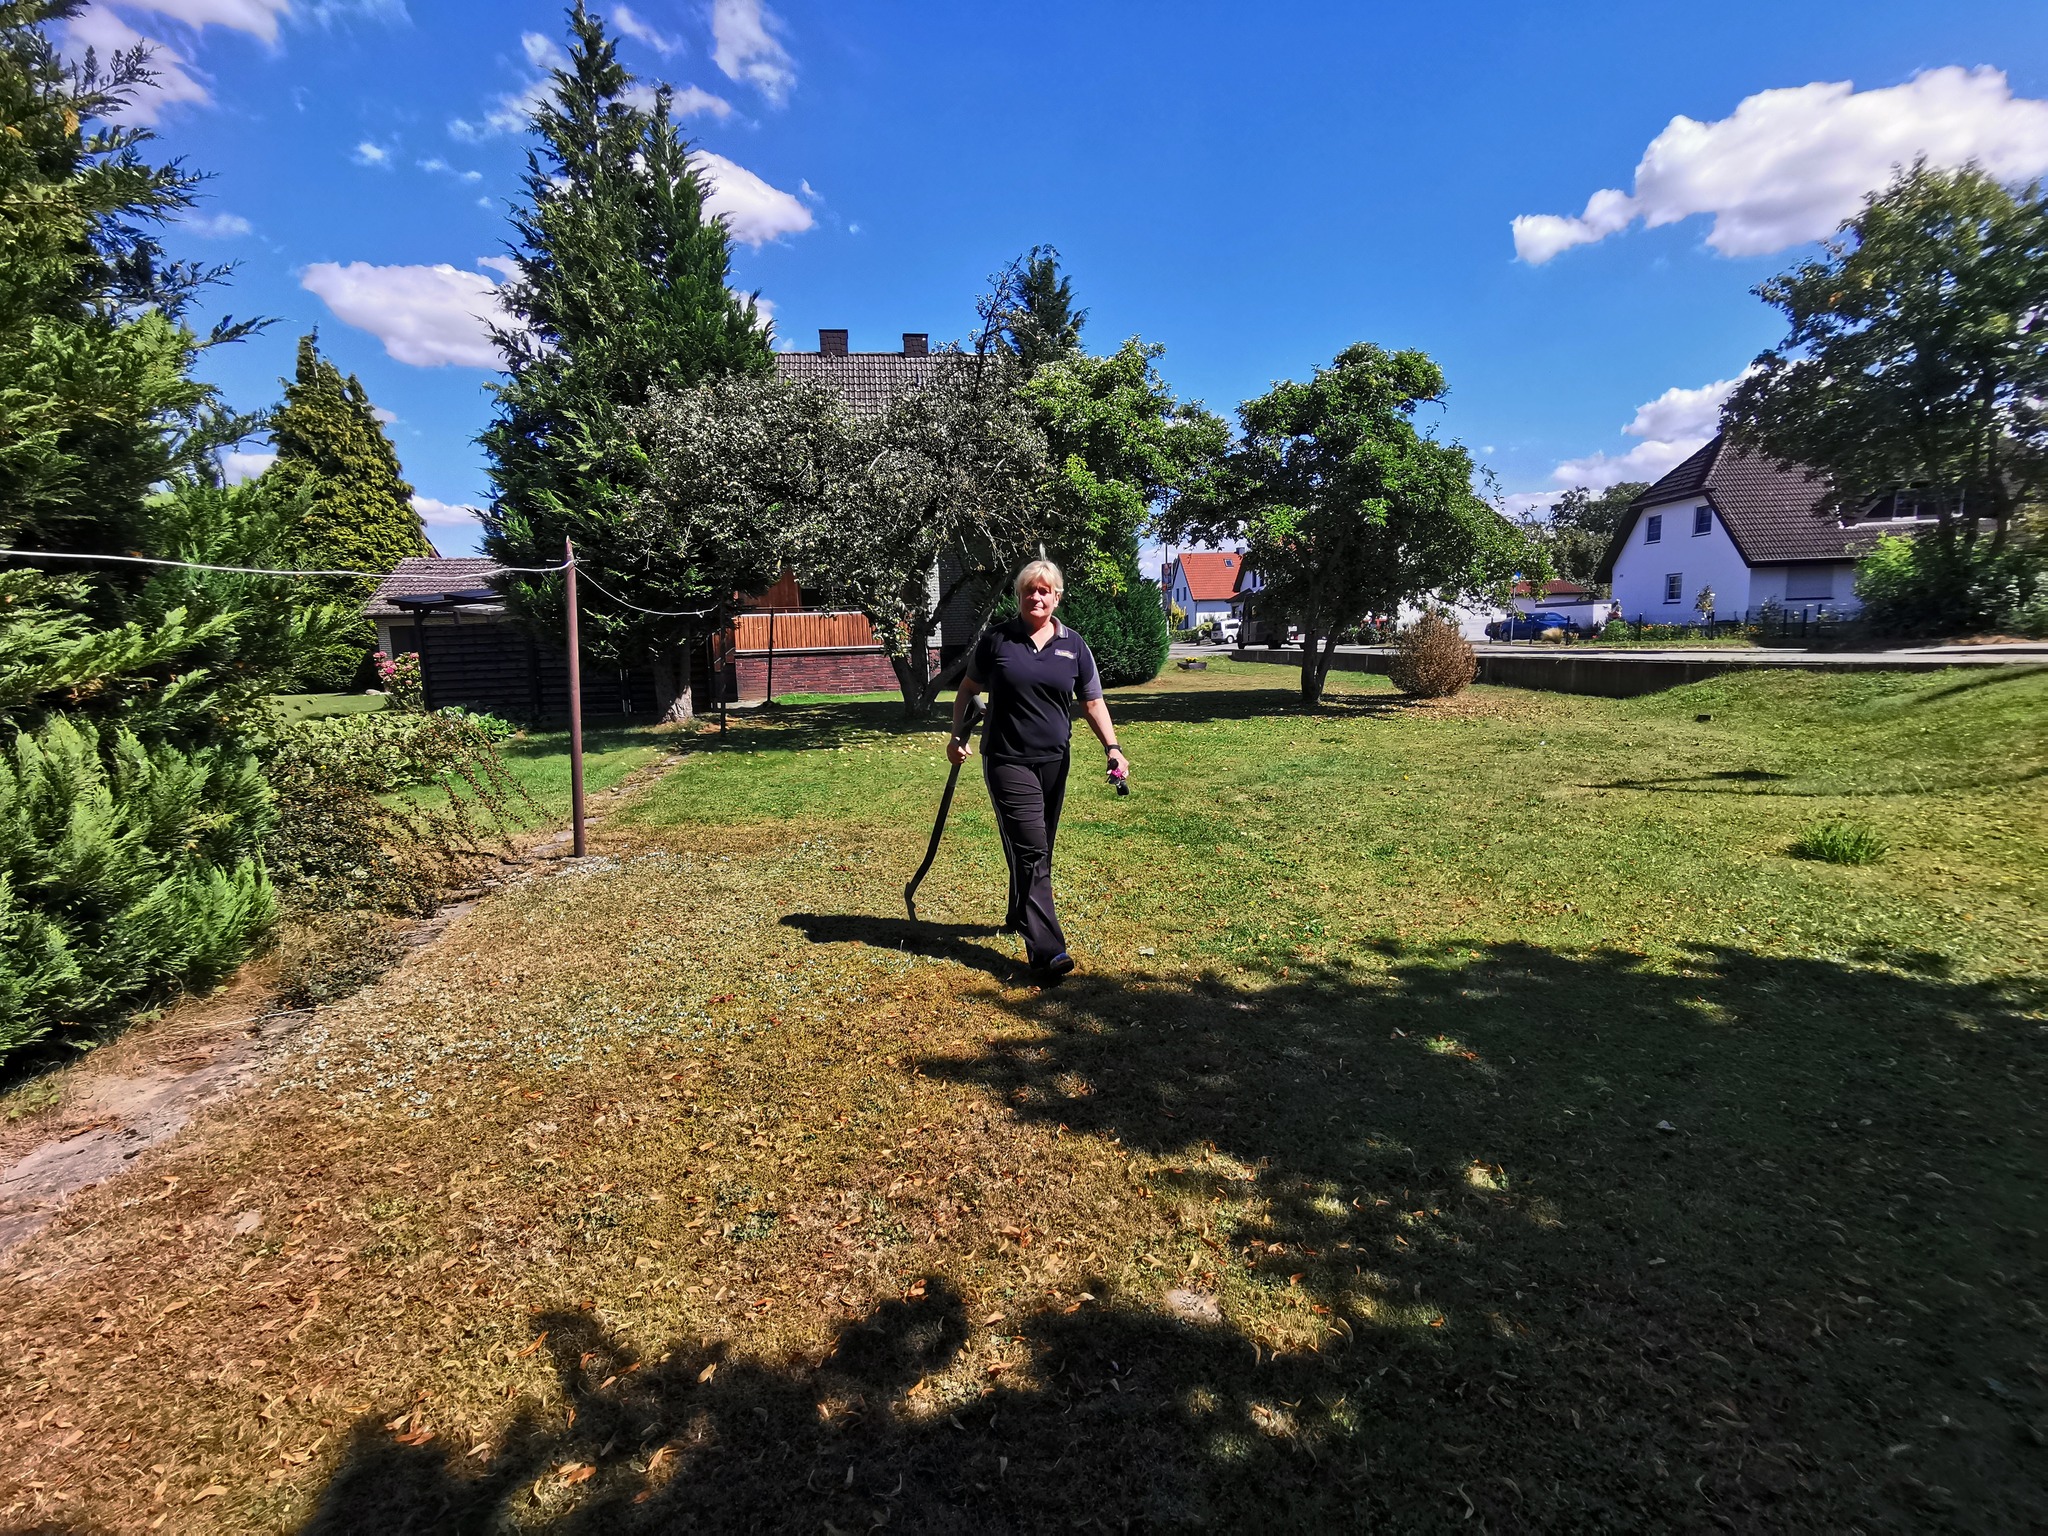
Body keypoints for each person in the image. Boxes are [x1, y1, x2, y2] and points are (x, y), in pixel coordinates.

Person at [949, 558, 1129, 985]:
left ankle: (1019, 912)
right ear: (1019, 595)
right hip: (1007, 760)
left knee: (1037, 847)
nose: (1036, 597)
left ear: (1057, 597)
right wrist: (957, 736)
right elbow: (968, 689)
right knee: (1032, 850)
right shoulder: (997, 640)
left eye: (1044, 590)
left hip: (1054, 760)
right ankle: (1048, 952)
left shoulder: (1074, 645)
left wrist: (1113, 748)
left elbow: (1092, 702)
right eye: (1029, 590)